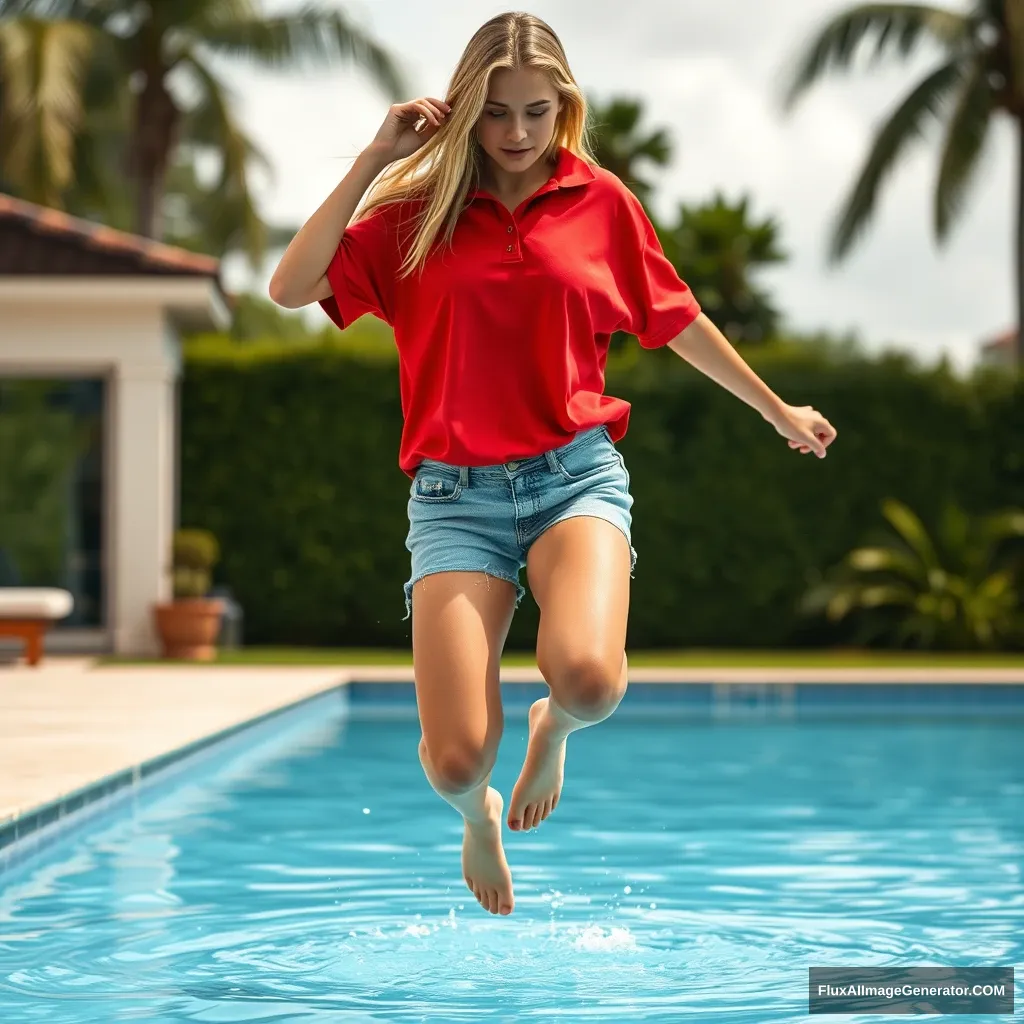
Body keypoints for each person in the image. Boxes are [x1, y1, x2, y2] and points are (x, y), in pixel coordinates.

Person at [269, 11, 837, 918]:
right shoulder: (415, 217)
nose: (519, 133)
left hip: (573, 476)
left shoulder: (600, 201)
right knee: (455, 760)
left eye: (537, 111)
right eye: (496, 113)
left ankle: (553, 728)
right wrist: (377, 155)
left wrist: (777, 409)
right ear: (463, 111)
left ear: (563, 105)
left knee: (590, 681)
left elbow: (674, 317)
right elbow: (291, 286)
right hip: (455, 499)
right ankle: (476, 817)